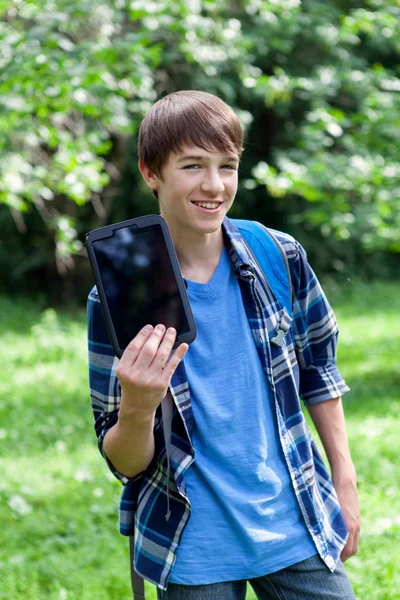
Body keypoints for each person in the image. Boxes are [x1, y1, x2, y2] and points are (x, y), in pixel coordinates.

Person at [88, 90, 360, 600]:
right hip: (192, 545)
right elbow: (124, 460)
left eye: (227, 166)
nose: (214, 185)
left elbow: (319, 372)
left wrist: (344, 483)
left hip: (294, 518)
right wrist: (140, 405)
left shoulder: (277, 255)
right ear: (151, 173)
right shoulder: (119, 297)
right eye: (192, 165)